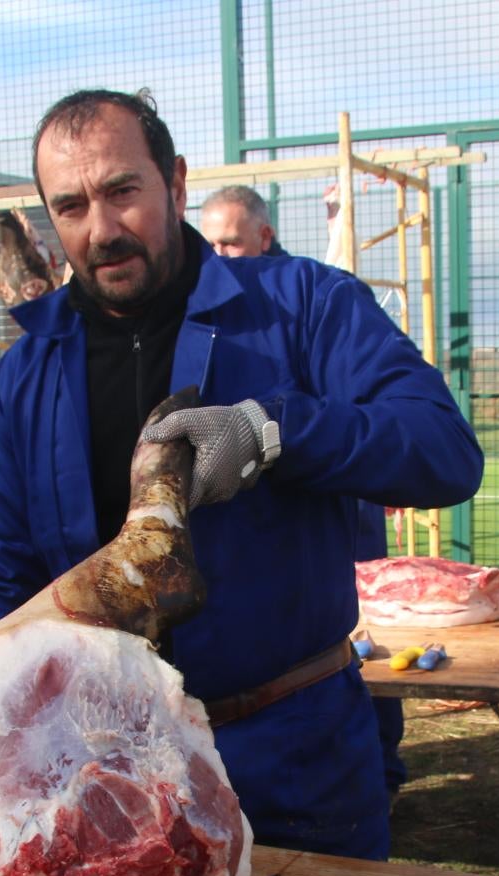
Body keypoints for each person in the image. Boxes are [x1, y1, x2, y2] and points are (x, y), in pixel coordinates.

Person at [0, 89, 484, 876]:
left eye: (121, 191)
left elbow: (445, 452)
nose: (101, 226)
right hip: (104, 775)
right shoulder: (28, 369)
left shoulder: (303, 307)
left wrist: (281, 429)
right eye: (70, 205)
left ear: (177, 182)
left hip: (289, 741)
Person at [200, 183, 406, 796]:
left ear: (264, 236)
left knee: (360, 637)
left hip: (340, 500)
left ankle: (384, 761)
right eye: (209, 243)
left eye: (231, 242)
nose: (220, 255)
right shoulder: (207, 312)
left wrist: (280, 428)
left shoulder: (311, 302)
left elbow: (380, 423)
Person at [198, 184, 288, 258]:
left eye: (229, 243)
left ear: (264, 237)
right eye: (209, 246)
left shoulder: (295, 278)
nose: (218, 254)